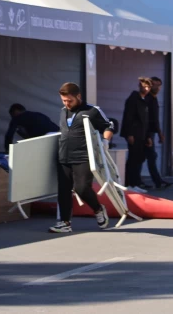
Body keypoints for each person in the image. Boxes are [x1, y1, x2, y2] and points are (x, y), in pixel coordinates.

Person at [50, 82, 112, 233]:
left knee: (81, 188)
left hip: (84, 156)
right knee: (64, 190)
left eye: (69, 100)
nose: (67, 104)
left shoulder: (92, 111)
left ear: (78, 96)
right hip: (64, 156)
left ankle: (98, 209)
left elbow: (109, 125)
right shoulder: (63, 111)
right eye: (63, 100)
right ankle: (65, 223)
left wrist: (105, 141)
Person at [120, 77, 153, 190]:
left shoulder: (145, 100)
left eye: (148, 87)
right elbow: (128, 117)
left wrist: (148, 136)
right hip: (134, 133)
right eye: (144, 86)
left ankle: (135, 182)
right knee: (133, 159)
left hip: (142, 134)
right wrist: (129, 134)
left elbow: (146, 120)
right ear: (140, 86)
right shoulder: (133, 99)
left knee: (139, 158)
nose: (146, 89)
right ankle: (130, 183)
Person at [144, 77, 173, 189]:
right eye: (155, 85)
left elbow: (155, 119)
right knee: (149, 157)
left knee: (148, 157)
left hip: (151, 132)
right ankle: (157, 181)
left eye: (159, 85)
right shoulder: (147, 99)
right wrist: (147, 136)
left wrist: (160, 133)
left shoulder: (154, 99)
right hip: (146, 133)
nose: (157, 87)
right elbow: (146, 119)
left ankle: (157, 180)